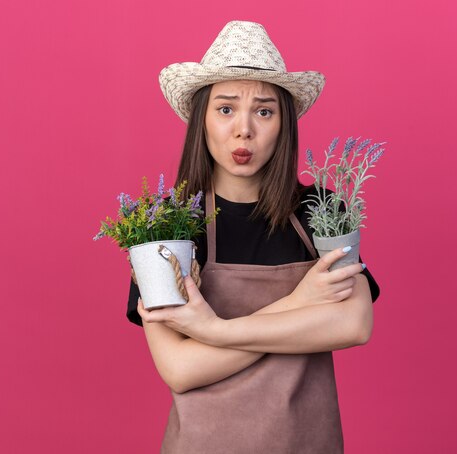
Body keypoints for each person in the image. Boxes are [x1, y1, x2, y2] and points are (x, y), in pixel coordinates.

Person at [126, 20, 380, 453]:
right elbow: (180, 369)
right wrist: (302, 303)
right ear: (201, 120)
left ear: (283, 125)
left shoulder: (319, 211)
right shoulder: (166, 227)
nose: (244, 130)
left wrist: (212, 331)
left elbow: (353, 324)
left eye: (264, 111)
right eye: (225, 109)